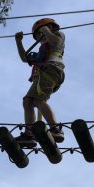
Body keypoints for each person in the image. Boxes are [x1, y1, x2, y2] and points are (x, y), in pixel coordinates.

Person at [14, 18, 65, 148]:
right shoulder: (42, 50)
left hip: (52, 69)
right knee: (28, 101)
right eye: (37, 36)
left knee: (37, 100)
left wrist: (46, 30)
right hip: (44, 74)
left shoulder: (58, 36)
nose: (39, 37)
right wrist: (18, 42)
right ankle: (29, 134)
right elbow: (24, 58)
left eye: (40, 33)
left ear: (51, 27)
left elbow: (56, 42)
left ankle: (55, 128)